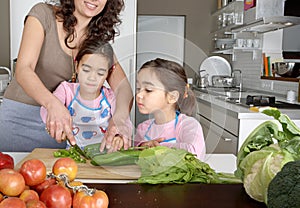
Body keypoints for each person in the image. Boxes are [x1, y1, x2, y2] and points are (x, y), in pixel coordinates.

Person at [0, 0, 133, 152]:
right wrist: (52, 104)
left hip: (62, 131)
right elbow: (24, 70)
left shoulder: (97, 42)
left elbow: (124, 90)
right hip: (20, 122)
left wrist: (120, 119)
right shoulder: (43, 14)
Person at [40, 40, 129, 150]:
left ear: (108, 73)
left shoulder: (111, 98)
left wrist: (119, 137)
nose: (92, 78)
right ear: (77, 66)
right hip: (74, 155)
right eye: (86, 70)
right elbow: (46, 110)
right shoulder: (66, 90)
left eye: (100, 73)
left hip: (103, 156)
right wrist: (58, 125)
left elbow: (125, 122)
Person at [134, 58, 206, 160]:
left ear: (172, 97)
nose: (139, 95)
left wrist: (157, 148)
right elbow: (132, 155)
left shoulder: (188, 125)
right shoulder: (143, 128)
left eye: (148, 90)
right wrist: (141, 146)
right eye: (138, 88)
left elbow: (194, 153)